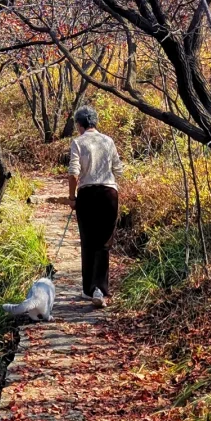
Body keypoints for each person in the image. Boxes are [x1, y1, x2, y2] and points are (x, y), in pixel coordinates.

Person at [67, 105, 122, 308]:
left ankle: (89, 290)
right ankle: (100, 289)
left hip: (87, 194)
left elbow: (73, 172)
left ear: (79, 124)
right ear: (95, 122)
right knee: (104, 242)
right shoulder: (108, 141)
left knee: (88, 240)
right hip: (109, 194)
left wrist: (72, 198)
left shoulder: (78, 142)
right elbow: (118, 168)